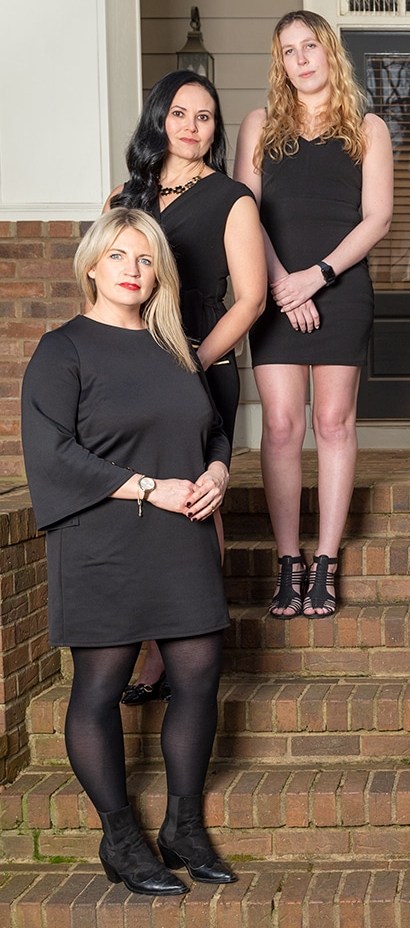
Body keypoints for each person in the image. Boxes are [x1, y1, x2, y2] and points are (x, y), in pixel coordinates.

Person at [21, 207, 238, 895]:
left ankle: (182, 825)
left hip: (181, 528)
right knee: (100, 688)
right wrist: (149, 486)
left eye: (145, 259)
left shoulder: (175, 345)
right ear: (91, 264)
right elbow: (51, 453)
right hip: (103, 537)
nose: (133, 271)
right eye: (119, 256)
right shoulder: (64, 348)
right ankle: (119, 835)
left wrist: (218, 472)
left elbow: (214, 429)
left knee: (199, 676)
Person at [107, 69, 267, 705]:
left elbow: (251, 299)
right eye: (180, 113)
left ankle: (190, 648)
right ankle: (150, 651)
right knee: (140, 504)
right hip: (130, 364)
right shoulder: (126, 196)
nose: (192, 127)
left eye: (205, 117)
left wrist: (191, 360)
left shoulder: (233, 199)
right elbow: (102, 281)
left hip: (202, 360)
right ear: (159, 119)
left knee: (201, 500)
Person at [234, 10, 393, 620]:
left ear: (330, 52)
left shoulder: (367, 128)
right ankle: (287, 561)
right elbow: (244, 209)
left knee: (332, 422)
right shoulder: (259, 125)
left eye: (310, 46)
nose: (301, 59)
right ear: (279, 62)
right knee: (280, 426)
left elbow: (375, 219)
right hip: (271, 289)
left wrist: (316, 279)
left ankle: (324, 562)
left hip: (340, 288)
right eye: (288, 51)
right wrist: (280, 283)